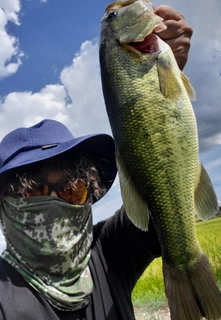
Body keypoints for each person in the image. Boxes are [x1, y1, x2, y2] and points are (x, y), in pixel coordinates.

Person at [0, 5, 193, 320]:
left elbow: (165, 196)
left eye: (73, 190)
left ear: (89, 194)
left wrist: (162, 80)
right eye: (31, 193)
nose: (55, 204)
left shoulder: (108, 251)